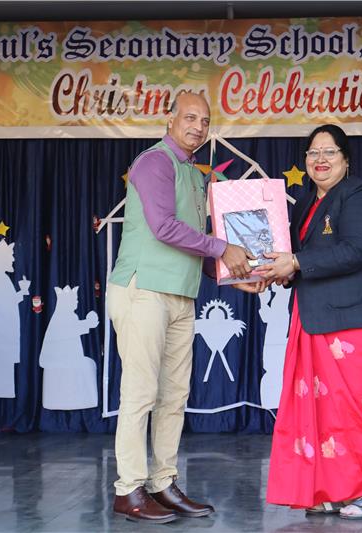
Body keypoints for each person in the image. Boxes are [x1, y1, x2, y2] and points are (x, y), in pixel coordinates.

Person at [256, 124, 362, 519]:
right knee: (327, 414)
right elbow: (299, 261)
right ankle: (338, 490)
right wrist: (275, 272)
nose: (320, 159)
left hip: (361, 321)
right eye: (313, 153)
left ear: (346, 160)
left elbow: (357, 250)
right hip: (320, 319)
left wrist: (296, 263)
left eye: (329, 152)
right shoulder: (304, 204)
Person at [107, 91, 256, 524]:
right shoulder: (155, 162)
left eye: (205, 121)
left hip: (180, 293)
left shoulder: (194, 173)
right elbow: (164, 227)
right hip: (143, 289)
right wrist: (224, 248)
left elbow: (191, 245)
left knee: (174, 395)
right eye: (190, 117)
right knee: (140, 393)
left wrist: (229, 274)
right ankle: (128, 489)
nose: (198, 126)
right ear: (169, 119)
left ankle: (162, 482)